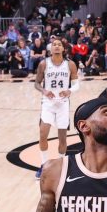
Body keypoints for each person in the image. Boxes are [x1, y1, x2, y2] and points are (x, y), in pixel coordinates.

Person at [34, 38, 79, 179]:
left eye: (59, 45)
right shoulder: (44, 64)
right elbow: (36, 83)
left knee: (62, 139)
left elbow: (77, 84)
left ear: (63, 49)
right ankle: (43, 165)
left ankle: (60, 164)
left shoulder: (70, 64)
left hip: (63, 104)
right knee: (43, 134)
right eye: (54, 45)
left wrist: (69, 91)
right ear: (50, 49)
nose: (57, 47)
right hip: (48, 103)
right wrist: (44, 91)